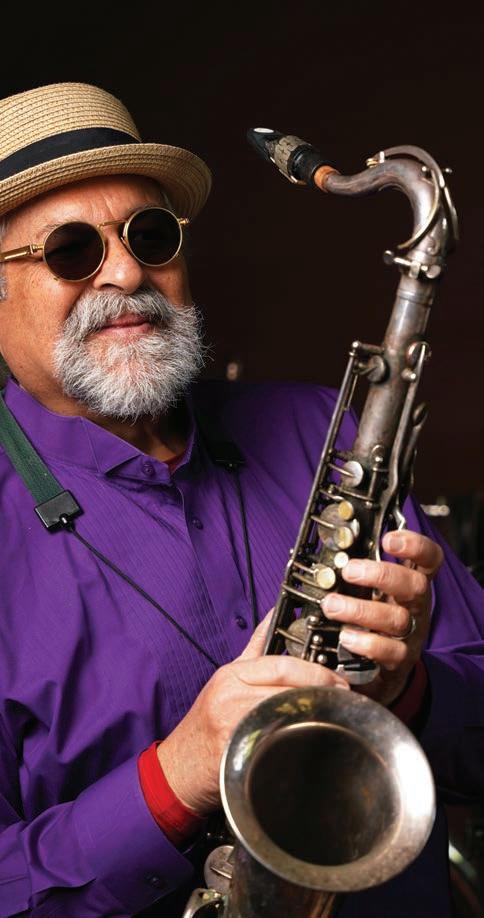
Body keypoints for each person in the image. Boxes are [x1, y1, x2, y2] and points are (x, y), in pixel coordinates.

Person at [0, 82, 481, 918]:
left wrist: (408, 694)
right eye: (71, 251)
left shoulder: (324, 432)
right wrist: (175, 776)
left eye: (151, 236)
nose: (127, 272)